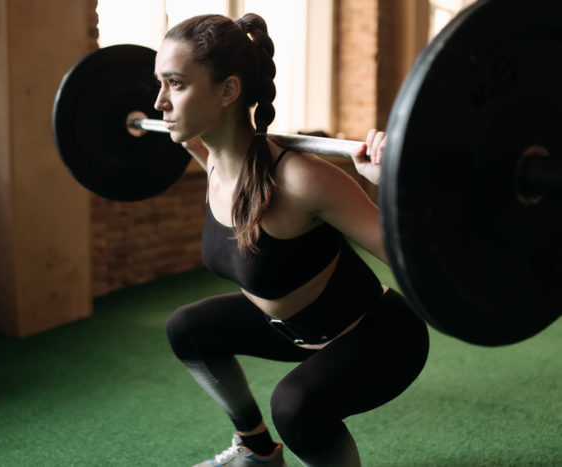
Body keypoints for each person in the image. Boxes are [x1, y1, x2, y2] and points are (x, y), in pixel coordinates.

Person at [156, 13, 429, 467]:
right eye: (159, 83)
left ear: (227, 91)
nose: (159, 101)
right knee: (188, 329)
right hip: (293, 331)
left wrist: (390, 183)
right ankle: (256, 452)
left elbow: (414, 261)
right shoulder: (216, 163)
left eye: (176, 84)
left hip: (377, 337)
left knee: (295, 405)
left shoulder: (301, 179)